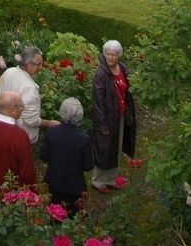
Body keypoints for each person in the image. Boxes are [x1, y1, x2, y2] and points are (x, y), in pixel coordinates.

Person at [91, 40, 136, 193]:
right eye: (108, 54)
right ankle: (97, 182)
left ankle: (110, 179)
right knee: (104, 149)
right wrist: (102, 123)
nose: (110, 57)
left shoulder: (122, 69)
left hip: (120, 115)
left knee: (116, 147)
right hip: (107, 118)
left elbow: (126, 91)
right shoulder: (101, 74)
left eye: (113, 54)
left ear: (119, 55)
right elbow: (98, 101)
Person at [0, 46, 59, 147]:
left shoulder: (8, 72)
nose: (41, 67)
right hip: (20, 141)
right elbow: (31, 120)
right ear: (28, 64)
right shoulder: (29, 87)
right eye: (39, 64)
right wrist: (49, 123)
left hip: (2, 132)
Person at [40, 97, 93, 214]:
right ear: (80, 115)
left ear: (62, 112)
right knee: (74, 216)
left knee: (54, 214)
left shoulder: (51, 133)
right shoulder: (84, 138)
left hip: (54, 181)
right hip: (74, 185)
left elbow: (43, 156)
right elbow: (88, 165)